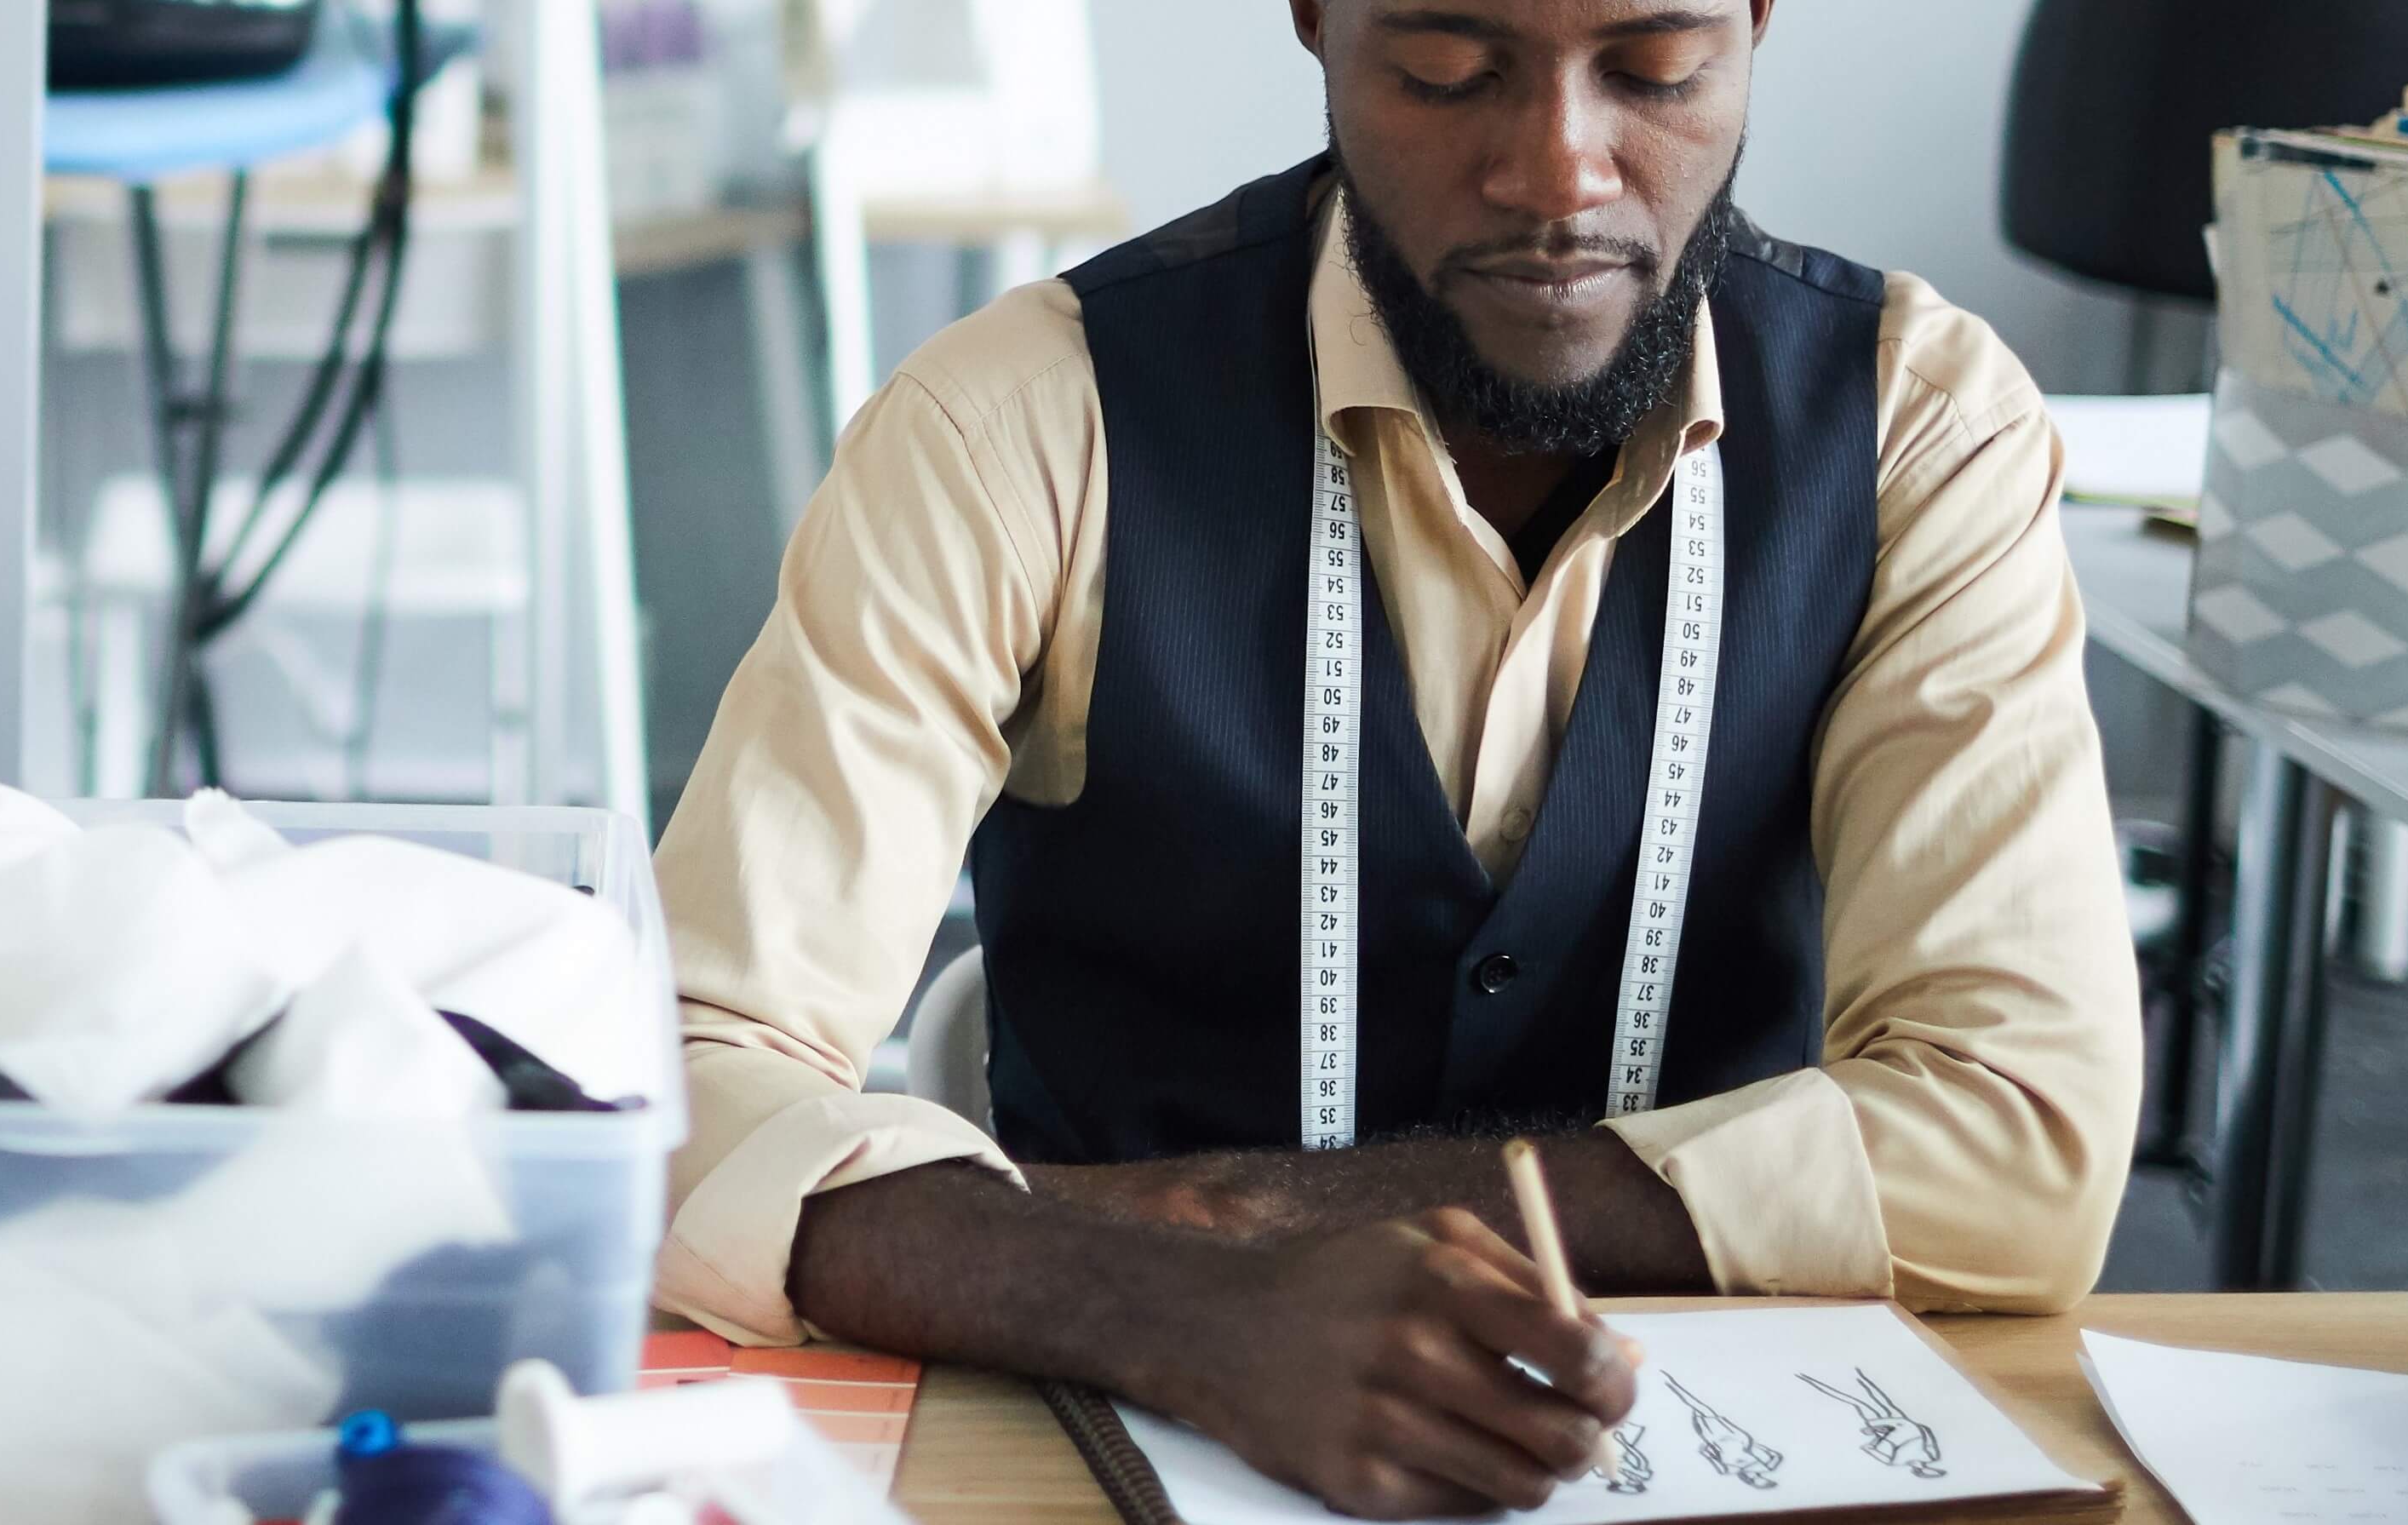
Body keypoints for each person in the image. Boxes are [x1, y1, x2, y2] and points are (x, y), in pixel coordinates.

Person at [640, 0, 2142, 1516]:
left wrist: (1232, 1216)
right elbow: (670, 1083)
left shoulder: (1915, 432)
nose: (1558, 174)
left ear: (1756, 24)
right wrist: (1165, 1308)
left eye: (1656, 70)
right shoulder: (1017, 426)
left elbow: (2020, 1136)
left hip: (1739, 1448)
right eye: (1447, 71)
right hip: (1101, 1439)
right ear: (1313, 21)